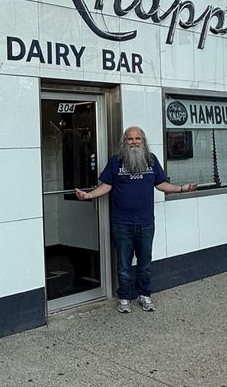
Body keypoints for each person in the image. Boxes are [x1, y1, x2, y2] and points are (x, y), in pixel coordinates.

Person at [75, 125, 196, 313]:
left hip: (146, 223)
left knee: (145, 263)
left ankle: (145, 295)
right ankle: (124, 298)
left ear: (143, 141)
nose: (134, 142)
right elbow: (106, 186)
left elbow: (161, 184)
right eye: (130, 139)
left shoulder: (151, 160)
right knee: (124, 264)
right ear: (125, 142)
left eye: (137, 139)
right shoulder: (116, 162)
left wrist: (182, 189)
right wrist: (88, 196)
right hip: (122, 224)